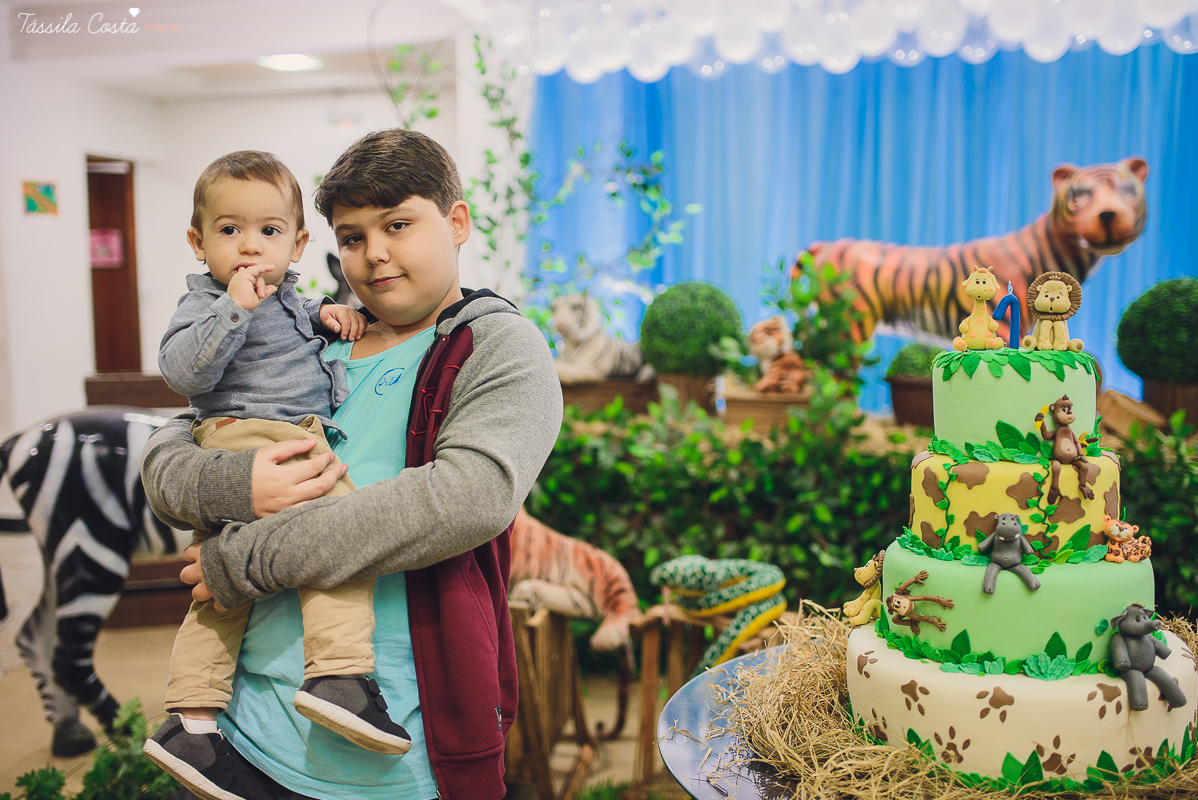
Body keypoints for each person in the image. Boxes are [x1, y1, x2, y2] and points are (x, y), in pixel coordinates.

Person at [140, 130, 562, 800]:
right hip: (243, 732)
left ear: (456, 222)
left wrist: (241, 560)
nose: (375, 254)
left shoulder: (495, 346)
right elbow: (171, 453)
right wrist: (234, 483)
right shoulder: (318, 334)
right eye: (353, 236)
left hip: (394, 752)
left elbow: (464, 500)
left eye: (398, 225)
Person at [149, 150, 416, 793]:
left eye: (268, 232)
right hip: (251, 433)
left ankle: (192, 718)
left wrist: (336, 321)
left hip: (267, 433)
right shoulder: (209, 302)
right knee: (340, 528)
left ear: (297, 244)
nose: (249, 247)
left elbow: (304, 346)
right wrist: (232, 309)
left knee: (224, 588)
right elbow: (184, 373)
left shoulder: (294, 299)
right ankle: (340, 676)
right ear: (197, 241)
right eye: (228, 229)